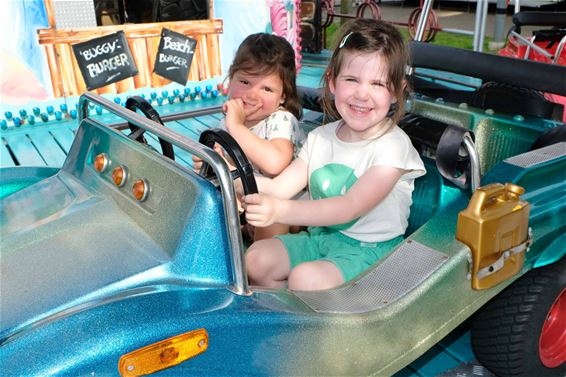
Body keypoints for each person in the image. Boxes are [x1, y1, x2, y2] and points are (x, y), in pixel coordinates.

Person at [242, 19, 426, 291]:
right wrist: (233, 180)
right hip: (321, 239)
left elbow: (349, 206)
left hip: (371, 251)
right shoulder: (320, 137)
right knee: (255, 260)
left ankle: (311, 319)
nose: (362, 94)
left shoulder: (393, 146)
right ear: (332, 82)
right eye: (351, 80)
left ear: (397, 91)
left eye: (378, 83)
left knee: (305, 279)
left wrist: (281, 210)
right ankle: (291, 316)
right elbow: (280, 187)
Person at [193, 33, 305, 241]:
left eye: (267, 88)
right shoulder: (227, 124)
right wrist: (211, 164)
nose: (252, 95)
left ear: (283, 96)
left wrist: (235, 125)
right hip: (249, 204)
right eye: (244, 81)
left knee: (271, 216)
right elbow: (233, 173)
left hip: (289, 211)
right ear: (230, 78)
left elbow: (274, 164)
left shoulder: (281, 120)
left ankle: (257, 261)